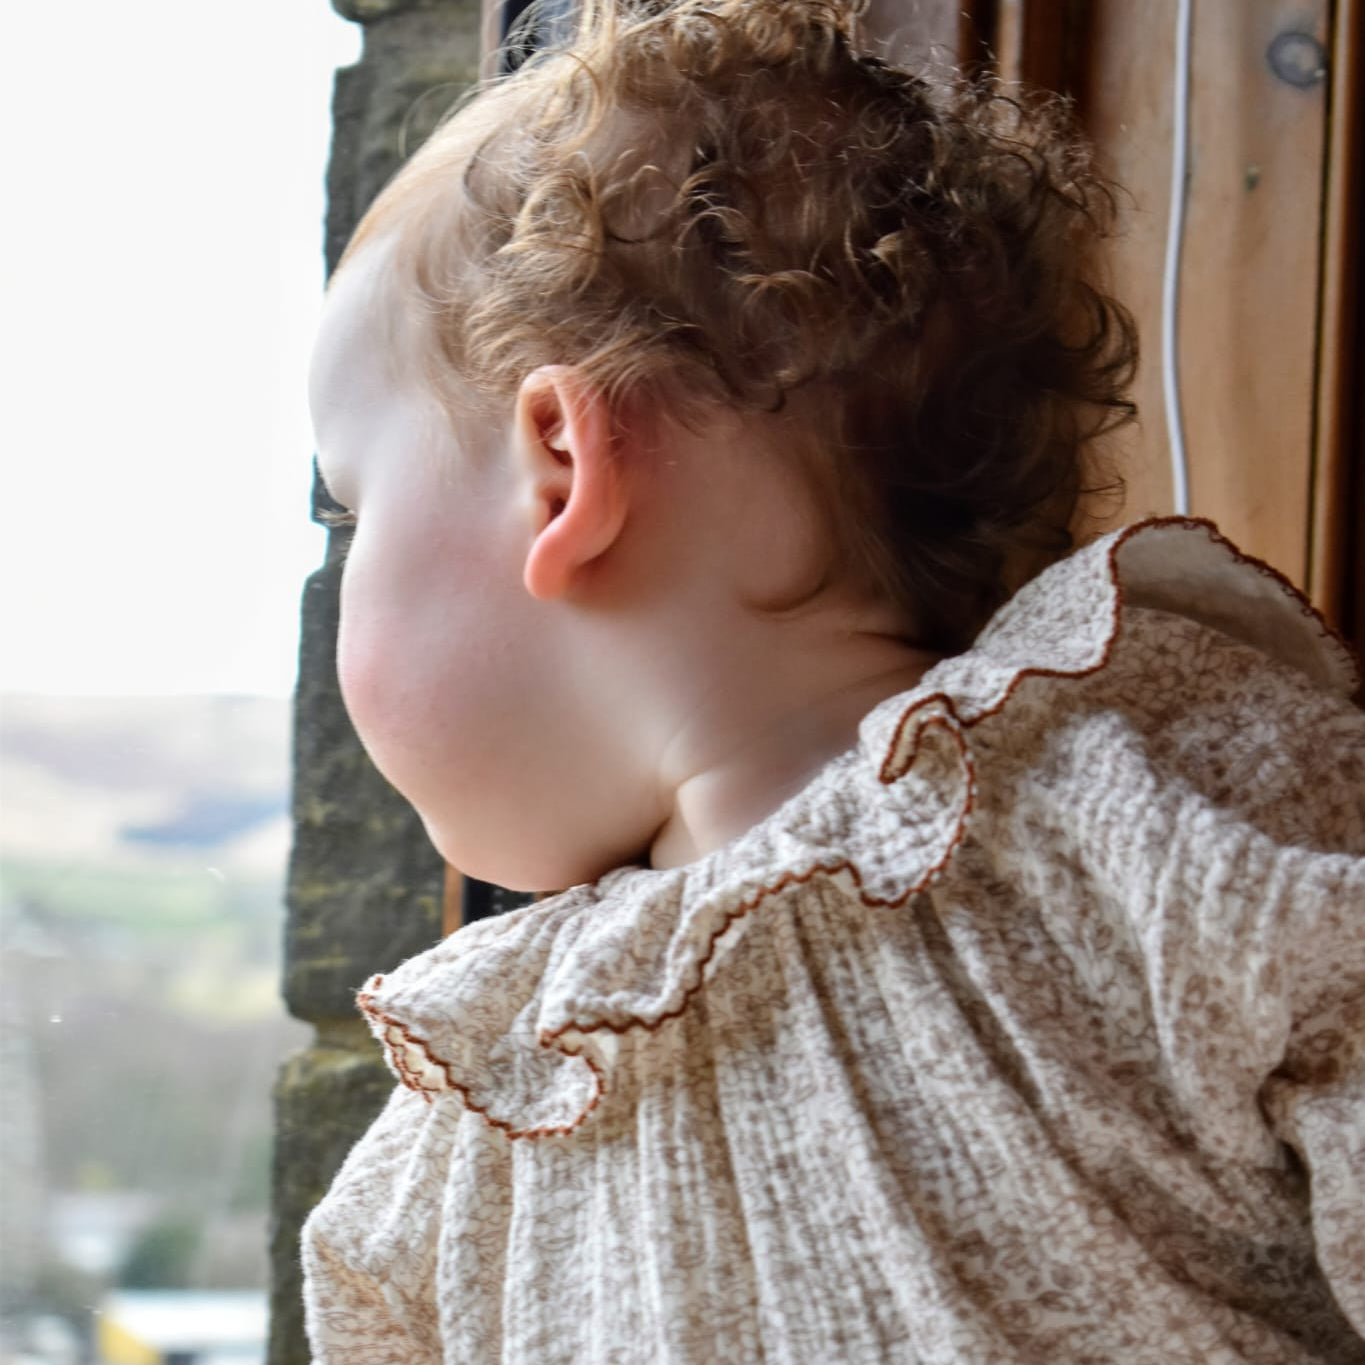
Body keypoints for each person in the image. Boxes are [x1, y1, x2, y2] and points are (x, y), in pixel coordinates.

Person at [300, 2, 1365, 1360]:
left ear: (561, 469)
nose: (348, 558)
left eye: (349, 509)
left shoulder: (1152, 805)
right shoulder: (462, 1128)